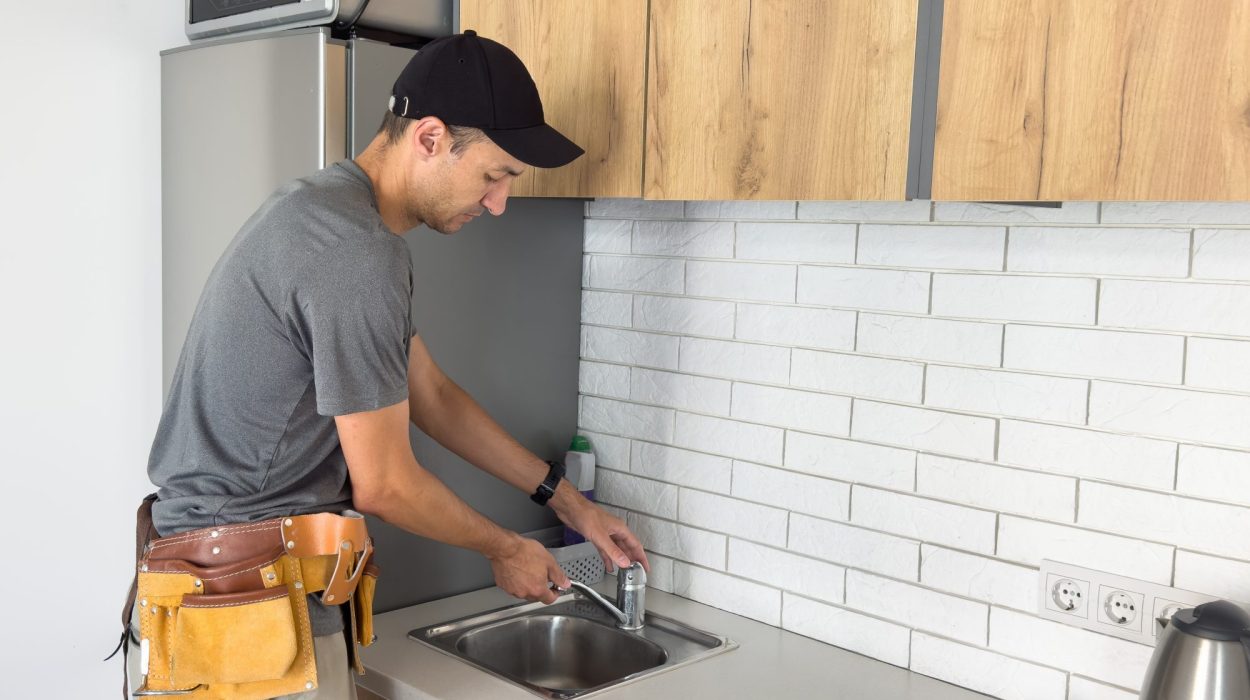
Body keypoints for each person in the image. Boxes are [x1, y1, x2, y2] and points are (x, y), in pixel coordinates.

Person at [123, 30, 649, 698]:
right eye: (494, 175)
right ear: (429, 138)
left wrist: (568, 500)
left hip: (218, 587)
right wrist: (506, 548)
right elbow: (387, 485)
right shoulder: (356, 252)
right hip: (245, 608)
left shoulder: (325, 211)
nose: (498, 204)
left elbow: (428, 392)